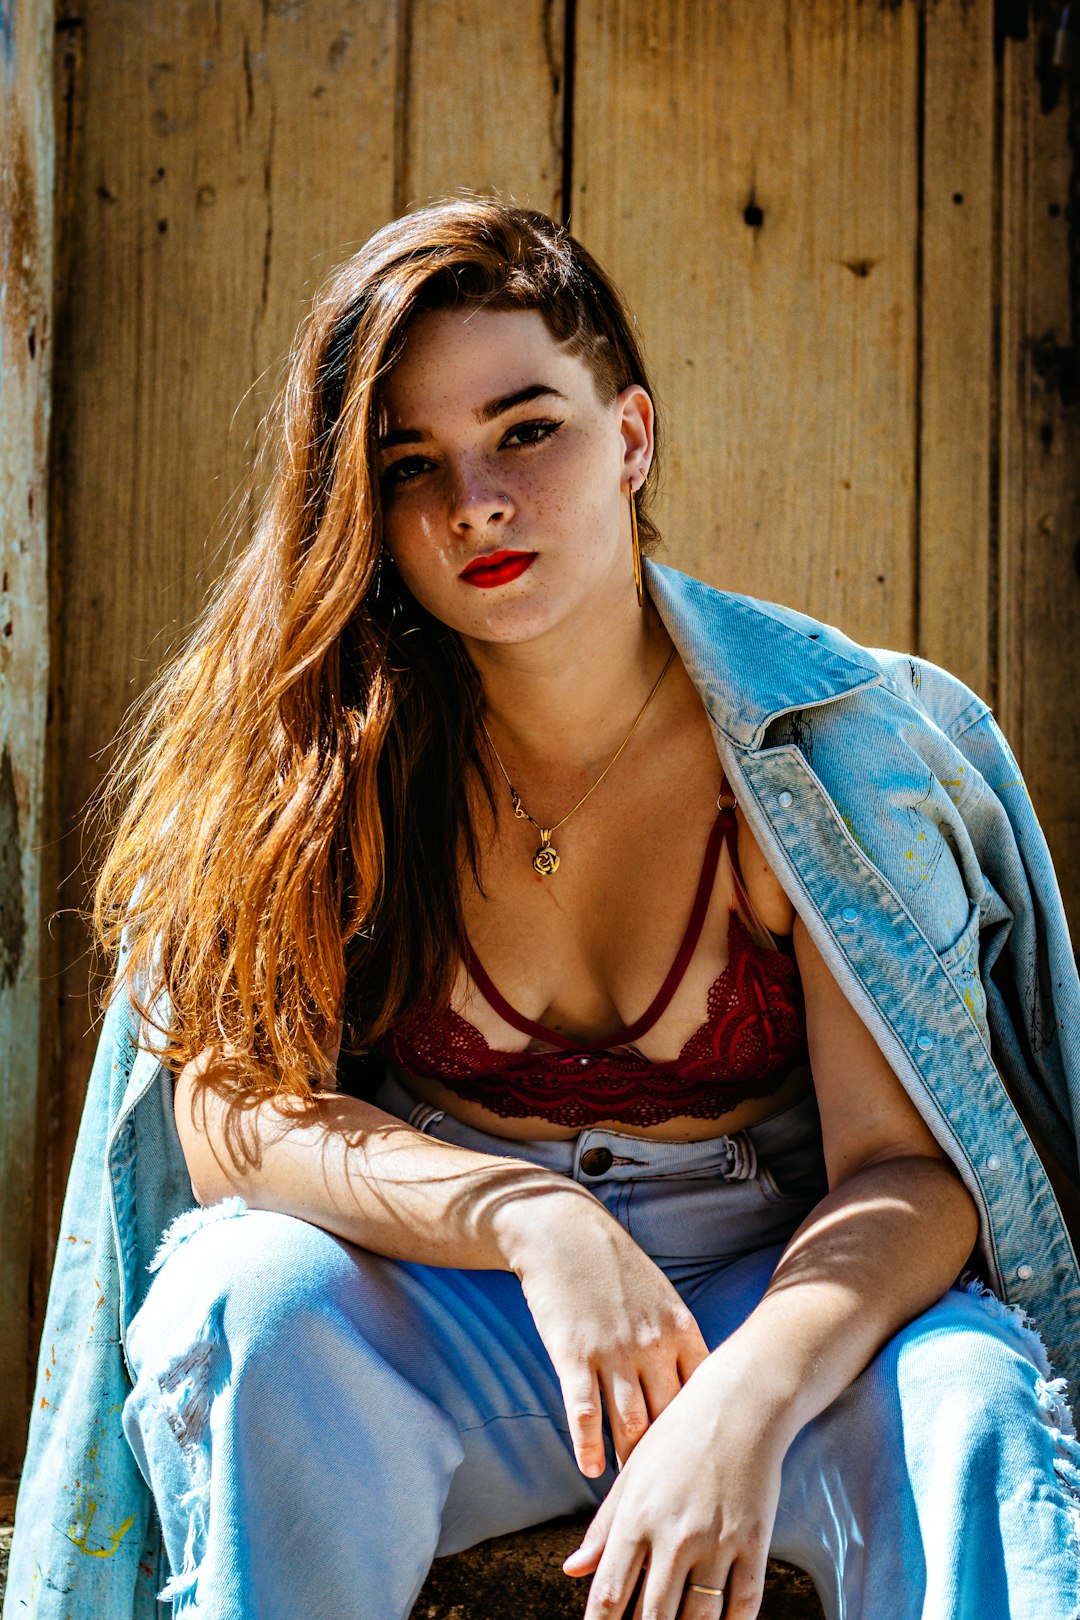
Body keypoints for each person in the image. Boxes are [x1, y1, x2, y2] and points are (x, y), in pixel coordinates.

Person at [6, 197, 1080, 1620]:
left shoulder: (816, 745)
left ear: (630, 436)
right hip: (459, 1305)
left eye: (527, 429)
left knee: (970, 1400)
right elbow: (232, 1114)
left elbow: (910, 1170)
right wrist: (532, 1219)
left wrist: (741, 1402)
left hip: (778, 1289)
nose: (477, 503)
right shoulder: (331, 749)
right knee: (251, 1306)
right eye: (412, 463)